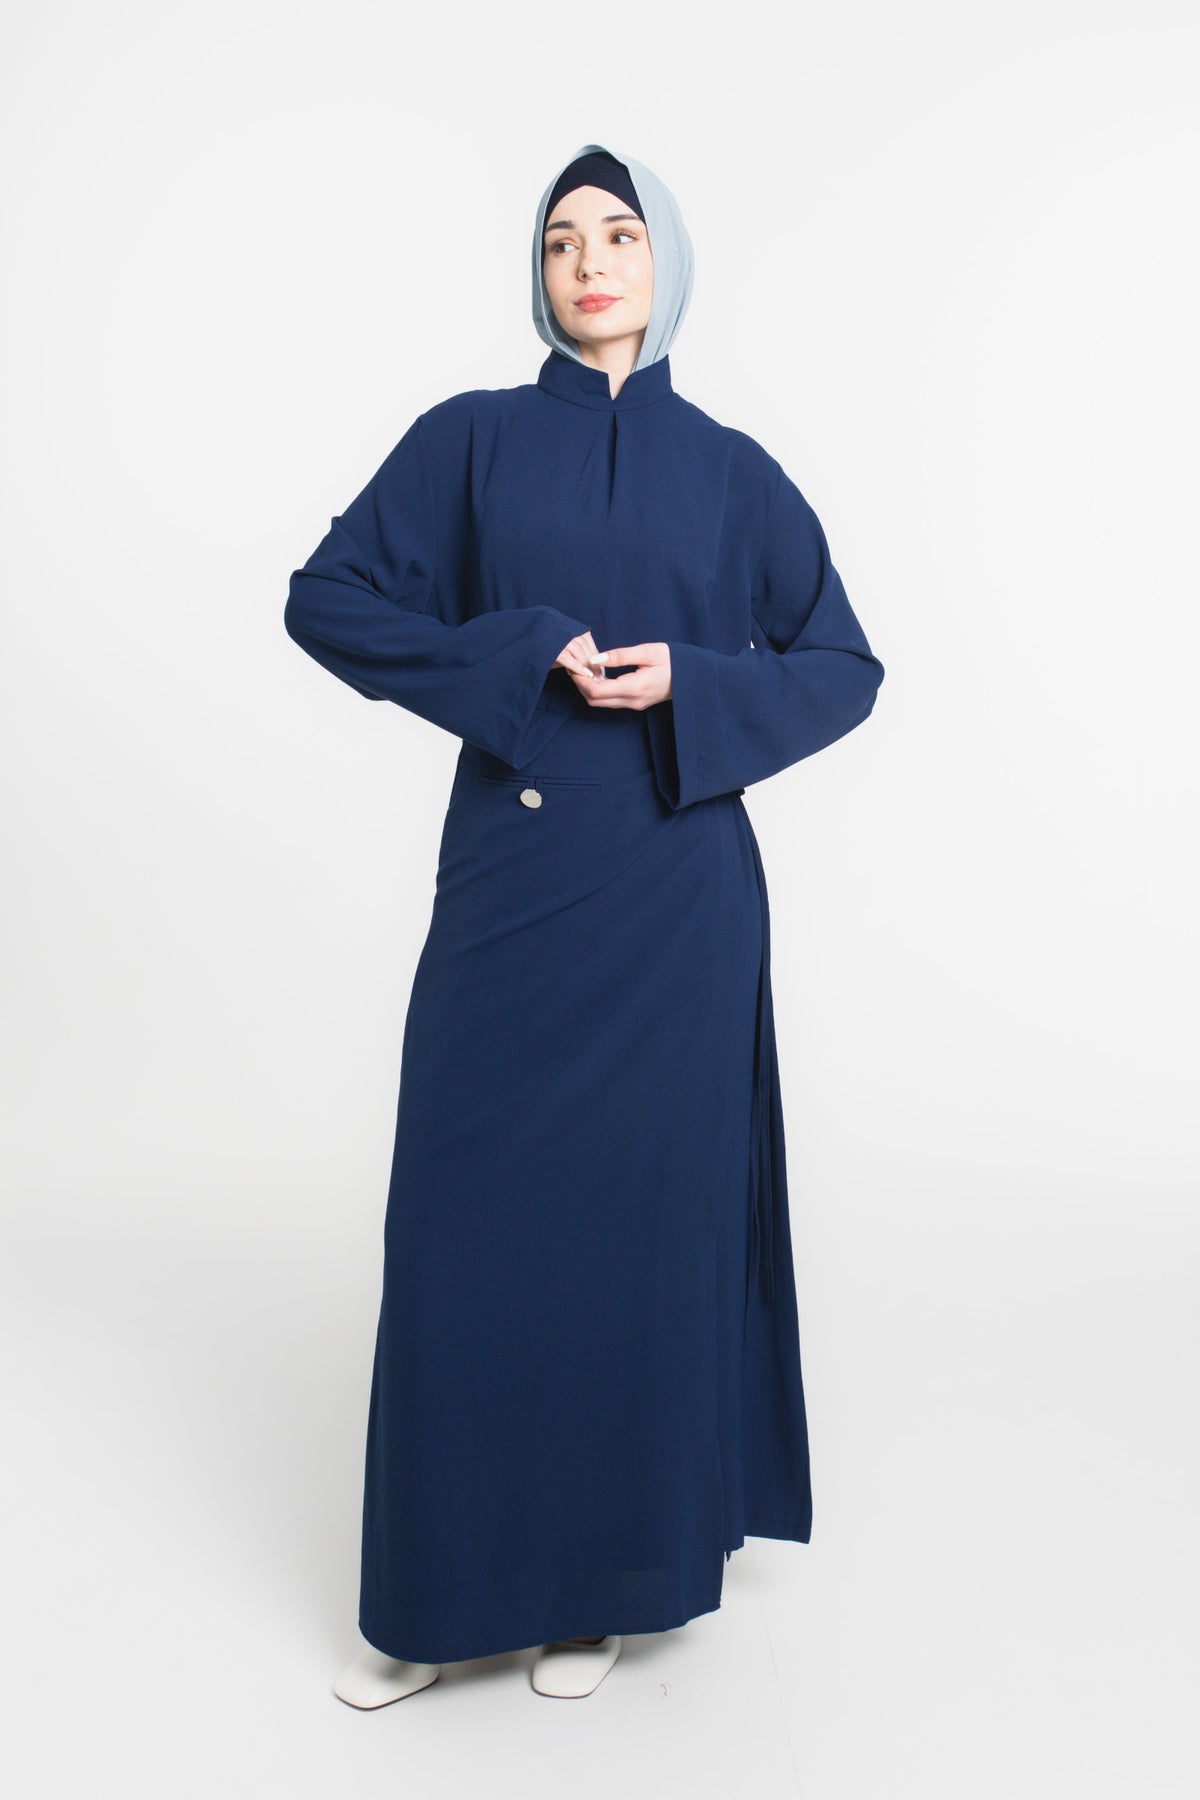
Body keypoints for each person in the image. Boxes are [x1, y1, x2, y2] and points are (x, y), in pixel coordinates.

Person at [283, 142, 885, 1707]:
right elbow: (326, 597)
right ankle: (430, 1605)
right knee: (462, 1228)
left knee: (634, 1240)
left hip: (677, 896)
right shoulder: (470, 442)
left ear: (664, 263)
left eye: (620, 235)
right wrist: (519, 650)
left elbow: (843, 665)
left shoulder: (734, 470)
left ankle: (598, 1592)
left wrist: (699, 679)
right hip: (514, 876)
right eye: (563, 240)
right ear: (538, 273)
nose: (592, 262)